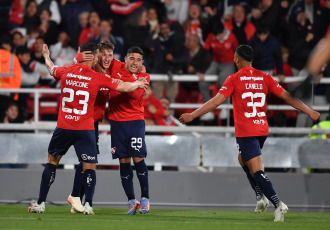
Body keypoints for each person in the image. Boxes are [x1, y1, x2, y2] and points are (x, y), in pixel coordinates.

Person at [179, 45, 320, 222]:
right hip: (261, 128)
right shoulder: (265, 77)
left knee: (257, 170)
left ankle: (277, 204)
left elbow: (216, 102)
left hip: (246, 131)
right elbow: (287, 96)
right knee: (242, 158)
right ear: (251, 60)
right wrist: (309, 111)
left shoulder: (234, 79)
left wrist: (193, 114)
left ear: (236, 59)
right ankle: (260, 197)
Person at [27, 42, 148, 215]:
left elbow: (52, 69)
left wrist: (46, 56)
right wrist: (138, 82)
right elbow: (124, 86)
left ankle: (44, 202)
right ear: (95, 56)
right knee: (89, 164)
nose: (106, 59)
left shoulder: (68, 70)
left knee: (53, 162)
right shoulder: (97, 76)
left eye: (110, 55)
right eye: (102, 55)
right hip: (86, 126)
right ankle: (87, 204)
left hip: (65, 125)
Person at [108, 46, 151, 215]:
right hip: (117, 122)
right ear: (125, 58)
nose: (135, 63)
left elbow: (133, 95)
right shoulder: (115, 66)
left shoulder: (144, 76)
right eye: (132, 58)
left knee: (138, 158)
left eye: (139, 60)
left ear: (142, 62)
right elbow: (103, 60)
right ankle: (131, 201)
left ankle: (145, 199)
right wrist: (132, 84)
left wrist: (120, 83)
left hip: (135, 122)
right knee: (123, 161)